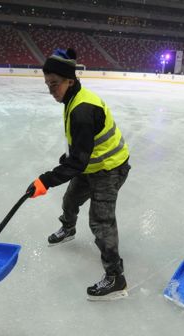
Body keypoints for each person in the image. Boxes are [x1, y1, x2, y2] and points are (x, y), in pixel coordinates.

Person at [26, 48, 131, 300]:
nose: (51, 90)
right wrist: (71, 159)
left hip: (110, 168)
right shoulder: (71, 98)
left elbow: (78, 161)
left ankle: (116, 276)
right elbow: (81, 149)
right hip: (91, 165)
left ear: (69, 80)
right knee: (71, 200)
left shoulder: (82, 108)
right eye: (47, 84)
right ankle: (68, 228)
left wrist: (45, 181)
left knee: (100, 221)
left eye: (54, 84)